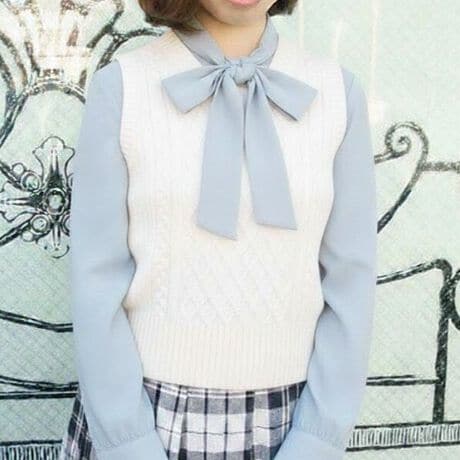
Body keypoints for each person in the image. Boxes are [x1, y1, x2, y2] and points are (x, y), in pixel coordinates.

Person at [60, 0, 377, 459]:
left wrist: (318, 438)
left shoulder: (338, 92)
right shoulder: (122, 88)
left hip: (290, 422)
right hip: (142, 414)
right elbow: (96, 280)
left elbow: (350, 281)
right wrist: (128, 440)